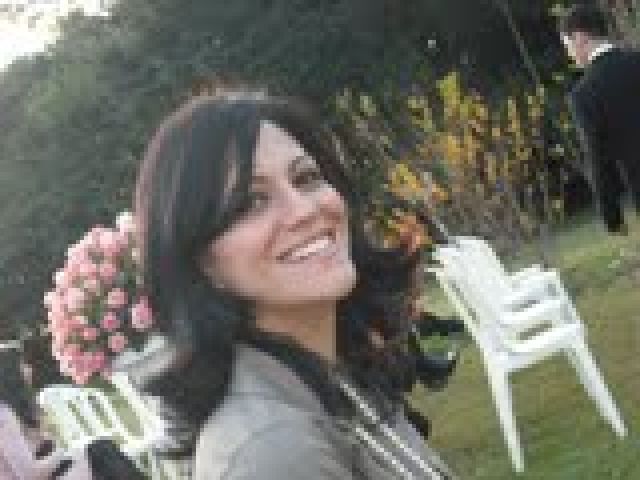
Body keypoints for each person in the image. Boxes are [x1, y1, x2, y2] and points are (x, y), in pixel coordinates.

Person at [135, 93, 458, 479]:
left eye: (306, 178)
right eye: (251, 202)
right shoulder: (272, 452)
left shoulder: (329, 370)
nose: (305, 210)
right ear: (200, 262)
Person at [560, 3, 640, 233]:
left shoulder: (584, 94)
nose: (569, 54)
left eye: (567, 45)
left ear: (580, 38)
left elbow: (598, 159)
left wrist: (612, 217)